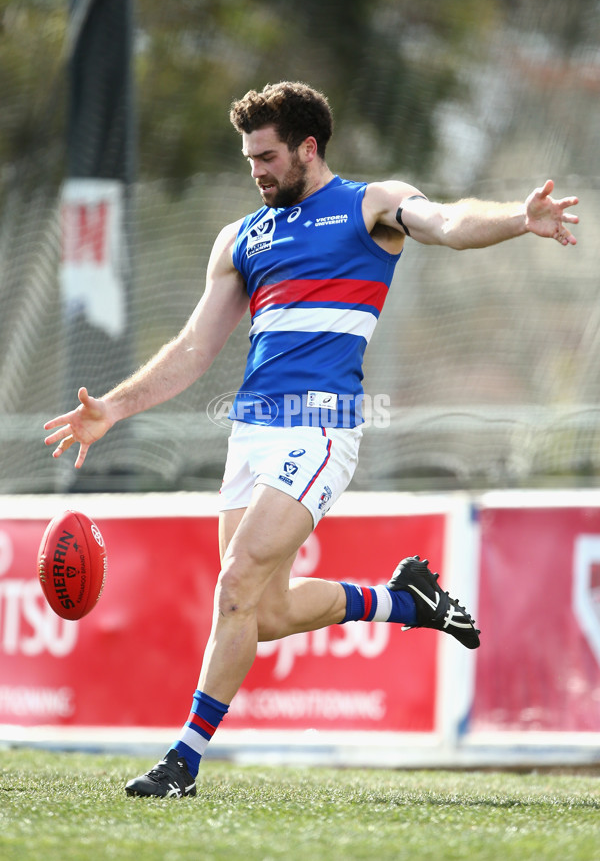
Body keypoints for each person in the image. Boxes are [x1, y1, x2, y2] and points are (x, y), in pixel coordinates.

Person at [44, 81, 579, 798]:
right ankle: (404, 603)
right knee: (261, 612)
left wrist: (520, 217)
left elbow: (448, 222)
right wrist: (112, 407)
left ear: (307, 147)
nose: (256, 172)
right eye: (247, 160)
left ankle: (183, 763)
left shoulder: (371, 205)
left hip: (322, 427)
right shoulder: (241, 238)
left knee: (234, 585)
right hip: (252, 431)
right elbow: (193, 348)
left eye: (266, 157)